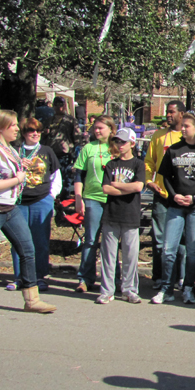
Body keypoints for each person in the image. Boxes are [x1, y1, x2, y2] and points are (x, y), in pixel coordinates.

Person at [0, 111, 56, 312]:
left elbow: (8, 169)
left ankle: (32, 300)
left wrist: (19, 166)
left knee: (27, 250)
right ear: (0, 128)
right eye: (13, 125)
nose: (17, 129)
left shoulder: (10, 149)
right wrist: (18, 179)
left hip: (10, 208)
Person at [151, 112, 195, 304]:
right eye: (182, 126)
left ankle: (188, 287)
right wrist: (174, 195)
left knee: (193, 248)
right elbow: (165, 176)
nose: (182, 129)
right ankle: (166, 288)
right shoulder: (174, 150)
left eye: (186, 126)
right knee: (168, 248)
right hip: (175, 205)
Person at [10, 118, 61, 292]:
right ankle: (21, 277)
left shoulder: (46, 151)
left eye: (38, 131)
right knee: (18, 240)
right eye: (32, 131)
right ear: (24, 133)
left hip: (41, 200)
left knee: (40, 242)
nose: (35, 134)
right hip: (19, 202)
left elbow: (56, 176)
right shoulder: (15, 151)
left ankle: (39, 276)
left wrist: (51, 196)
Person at [97, 128, 146, 304]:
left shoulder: (138, 164)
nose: (120, 145)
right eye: (117, 141)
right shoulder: (111, 164)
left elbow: (139, 187)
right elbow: (106, 188)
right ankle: (107, 290)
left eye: (123, 142)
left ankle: (129, 289)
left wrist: (117, 186)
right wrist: (126, 188)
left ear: (132, 143)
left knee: (130, 256)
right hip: (111, 215)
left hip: (130, 215)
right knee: (108, 257)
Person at [144, 101, 186, 291]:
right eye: (167, 112)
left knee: (182, 241)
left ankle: (181, 277)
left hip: (182, 195)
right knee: (160, 239)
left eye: (172, 112)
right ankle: (160, 277)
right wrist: (148, 181)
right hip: (161, 193)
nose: (168, 115)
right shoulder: (159, 136)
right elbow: (149, 161)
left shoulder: (188, 137)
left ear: (181, 114)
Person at [74, 115, 117, 293]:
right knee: (91, 239)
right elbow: (79, 175)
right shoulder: (88, 148)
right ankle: (85, 278)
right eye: (95, 128)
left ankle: (114, 279)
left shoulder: (117, 148)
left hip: (113, 199)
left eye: (101, 128)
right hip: (92, 197)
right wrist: (78, 198)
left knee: (112, 241)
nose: (97, 131)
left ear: (111, 129)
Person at [45, 96, 80, 195]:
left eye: (61, 105)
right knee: (52, 175)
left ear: (65, 106)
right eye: (57, 105)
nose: (59, 107)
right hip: (51, 151)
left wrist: (76, 151)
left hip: (65, 152)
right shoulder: (49, 120)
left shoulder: (70, 120)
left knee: (65, 176)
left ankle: (64, 195)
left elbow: (77, 136)